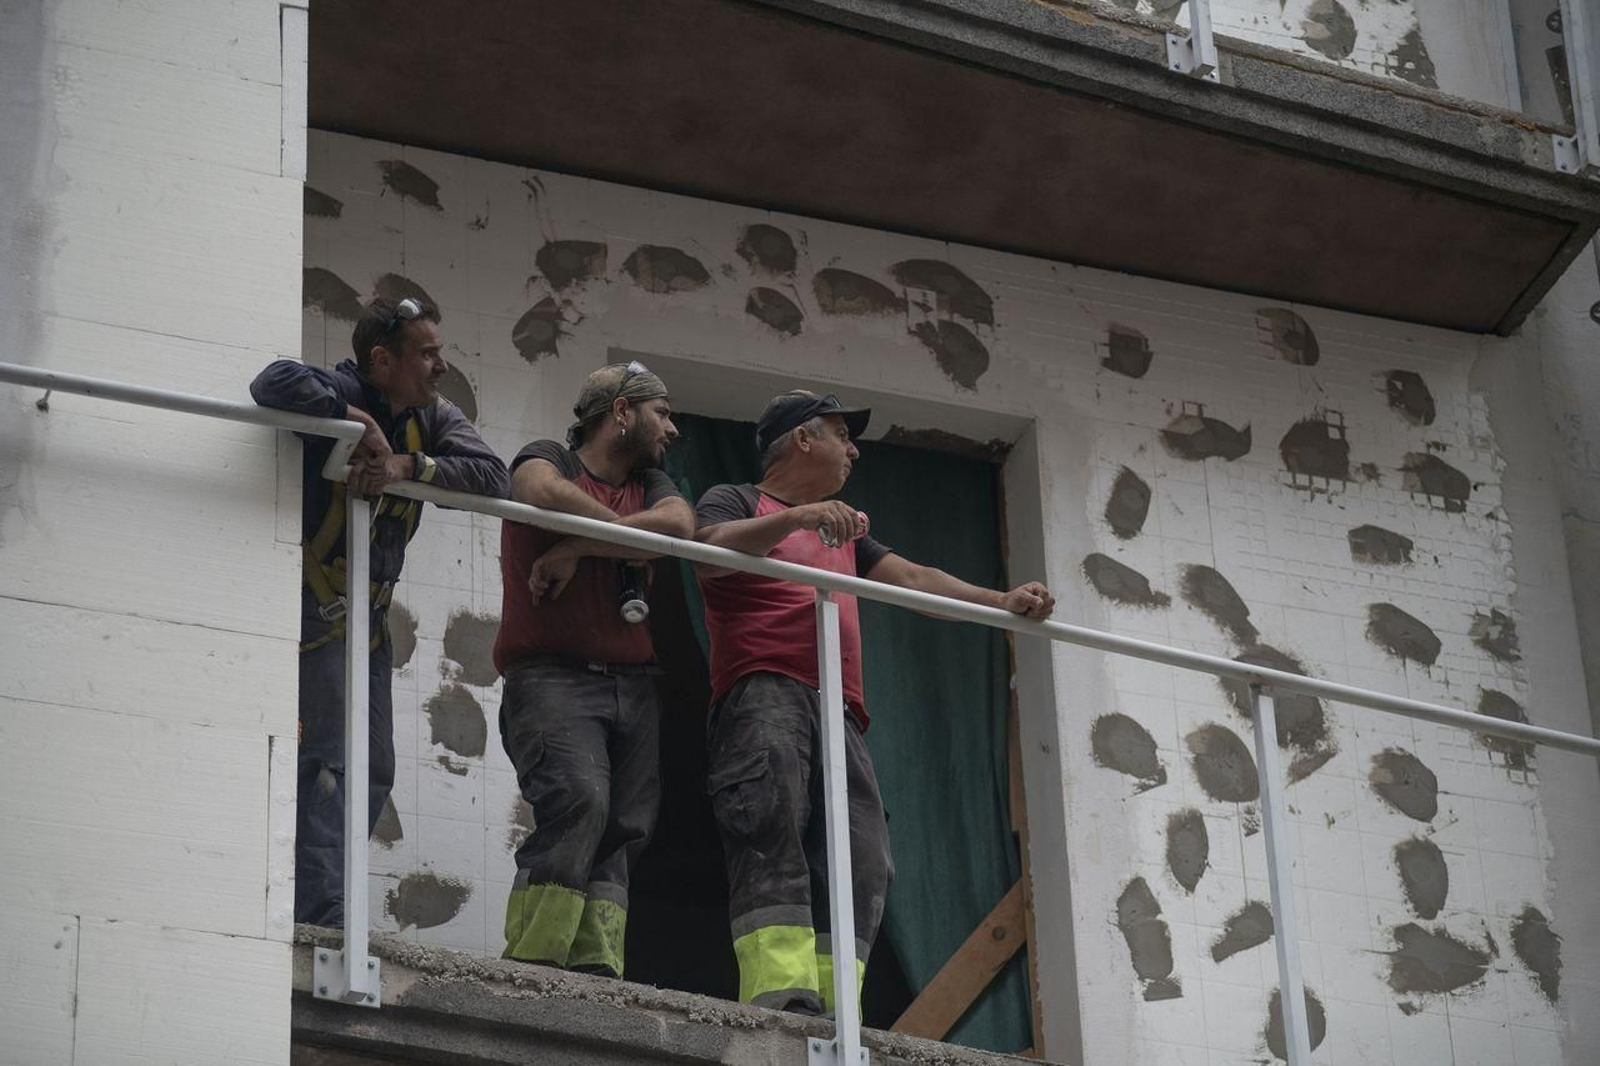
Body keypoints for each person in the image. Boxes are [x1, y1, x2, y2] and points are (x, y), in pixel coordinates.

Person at [693, 390, 1055, 1014]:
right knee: (770, 826)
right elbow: (713, 549)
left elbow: (914, 580)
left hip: (839, 711)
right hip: (765, 691)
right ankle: (780, 994)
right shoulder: (738, 500)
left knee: (865, 859)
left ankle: (839, 1010)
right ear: (803, 439)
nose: (854, 448)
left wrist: (1001, 602)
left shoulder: (847, 535)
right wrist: (798, 519)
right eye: (841, 434)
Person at [251, 296, 509, 926]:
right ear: (381, 360)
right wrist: (356, 421)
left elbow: (494, 478)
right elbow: (271, 383)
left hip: (367, 623)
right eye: (426, 353)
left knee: (375, 768)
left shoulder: (431, 418)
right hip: (318, 613)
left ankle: (330, 899)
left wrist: (407, 464)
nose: (440, 365)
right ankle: (323, 913)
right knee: (327, 763)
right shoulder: (339, 385)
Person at [493, 361, 693, 977]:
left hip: (634, 684)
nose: (673, 428)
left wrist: (578, 544)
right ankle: (535, 960)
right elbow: (536, 491)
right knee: (580, 799)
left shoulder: (654, 482)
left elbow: (679, 529)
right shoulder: (550, 453)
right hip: (552, 676)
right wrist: (629, 539)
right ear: (622, 412)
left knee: (627, 823)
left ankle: (594, 967)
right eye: (662, 412)